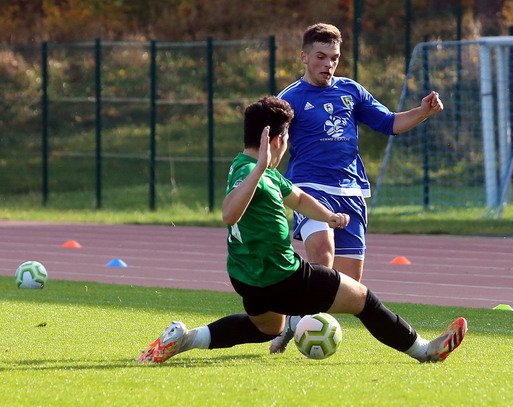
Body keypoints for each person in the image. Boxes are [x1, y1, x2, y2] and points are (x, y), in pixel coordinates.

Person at [136, 96, 467, 364]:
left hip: (246, 277)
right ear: (277, 140)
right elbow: (229, 213)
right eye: (287, 139)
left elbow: (297, 197)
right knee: (364, 300)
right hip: (282, 276)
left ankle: (184, 338)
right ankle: (425, 350)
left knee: (267, 327)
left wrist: (330, 217)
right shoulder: (253, 172)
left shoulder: (249, 166)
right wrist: (261, 169)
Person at [270, 22, 444, 353]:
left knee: (348, 286)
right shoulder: (290, 98)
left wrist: (423, 111)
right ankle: (301, 322)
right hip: (309, 187)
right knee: (323, 256)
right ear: (304, 57)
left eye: (334, 58)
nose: (328, 64)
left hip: (350, 192)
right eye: (320, 57)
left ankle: (294, 320)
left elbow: (390, 123)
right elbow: (270, 143)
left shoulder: (351, 90)